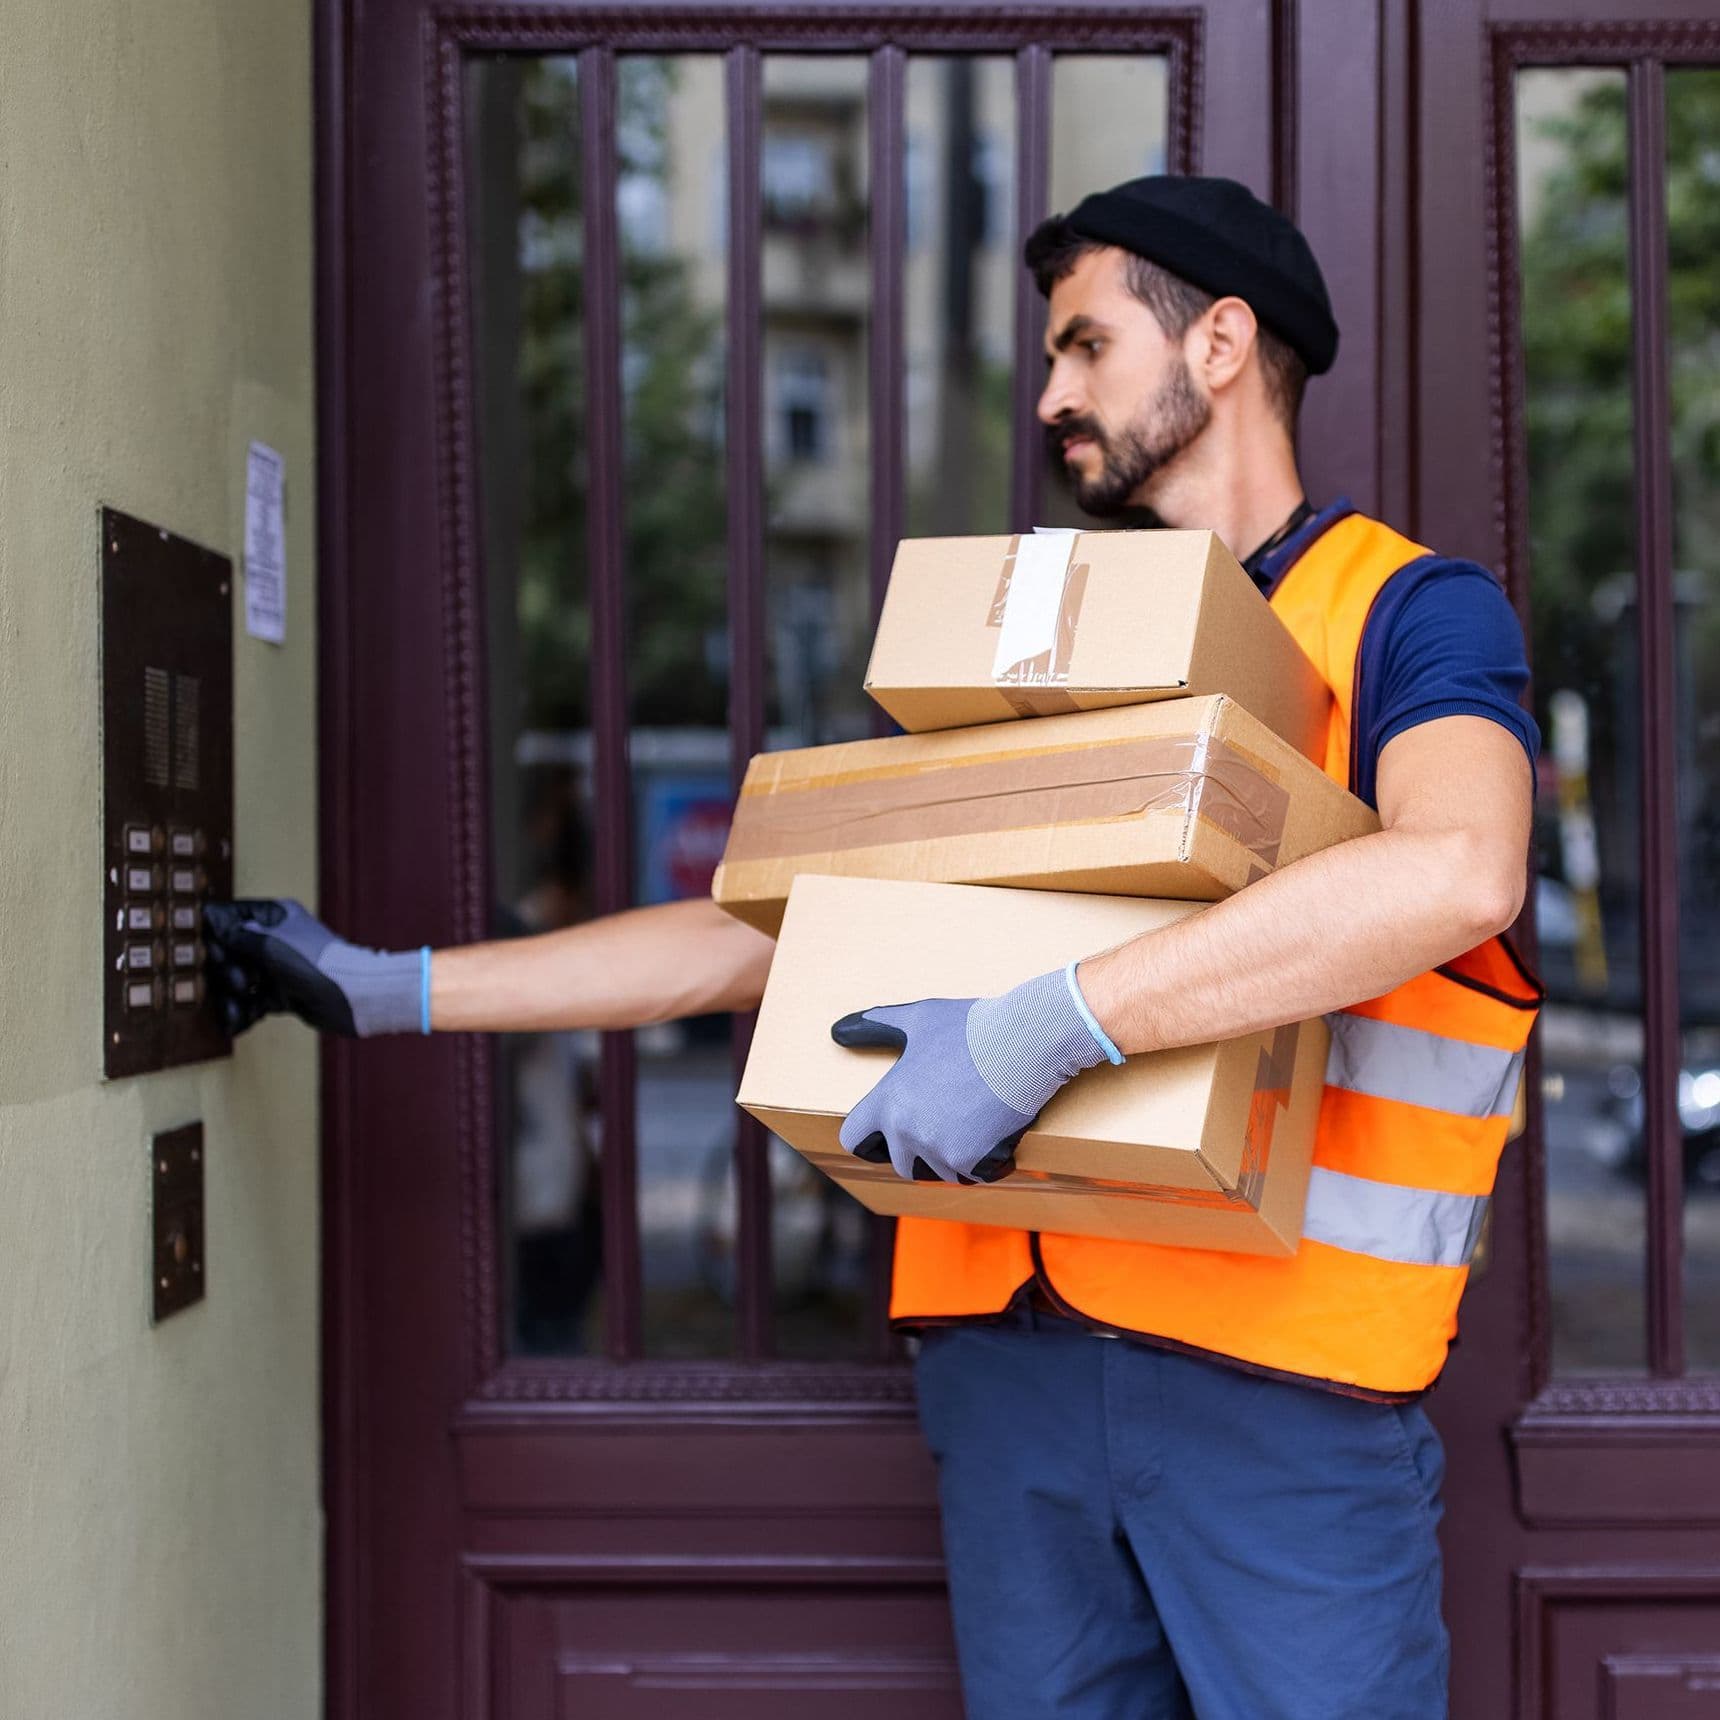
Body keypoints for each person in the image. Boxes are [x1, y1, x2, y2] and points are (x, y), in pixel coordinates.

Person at [205, 175, 1540, 1719]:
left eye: (1086, 346)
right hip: (1012, 1377)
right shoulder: (1049, 657)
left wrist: (1037, 1030)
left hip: (1287, 1388)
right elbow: (774, 938)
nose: (1051, 396)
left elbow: (1458, 870)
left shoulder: (1405, 614)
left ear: (1222, 345)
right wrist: (391, 991)